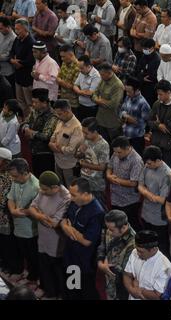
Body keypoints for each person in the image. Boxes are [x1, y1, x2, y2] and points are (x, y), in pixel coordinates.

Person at [27, 171, 70, 299]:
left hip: (56, 243)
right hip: (43, 238)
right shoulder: (43, 190)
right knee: (44, 267)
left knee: (57, 271)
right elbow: (31, 208)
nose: (42, 191)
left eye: (45, 189)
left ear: (55, 187)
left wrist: (37, 213)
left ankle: (59, 294)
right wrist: (41, 215)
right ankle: (48, 290)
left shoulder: (66, 198)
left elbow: (54, 223)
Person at [61, 178, 104, 300]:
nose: (71, 198)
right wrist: (68, 228)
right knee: (72, 288)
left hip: (84, 261)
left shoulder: (96, 212)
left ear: (85, 194)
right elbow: (63, 221)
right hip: (71, 255)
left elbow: (86, 241)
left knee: (85, 291)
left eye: (74, 195)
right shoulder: (75, 202)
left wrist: (69, 229)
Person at [6, 158, 40, 287]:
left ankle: (35, 277)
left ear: (25, 172)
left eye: (15, 176)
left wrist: (20, 212)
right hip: (18, 227)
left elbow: (37, 209)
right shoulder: (16, 181)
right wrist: (13, 210)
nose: (13, 179)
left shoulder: (36, 186)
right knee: (25, 253)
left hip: (31, 230)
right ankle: (31, 274)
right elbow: (10, 198)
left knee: (33, 256)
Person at [138, 146, 171, 258]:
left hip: (159, 219)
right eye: (146, 163)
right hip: (146, 212)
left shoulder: (167, 174)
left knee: (161, 248)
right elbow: (140, 186)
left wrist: (146, 193)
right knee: (147, 243)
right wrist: (149, 195)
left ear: (158, 161)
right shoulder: (147, 165)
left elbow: (163, 200)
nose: (147, 166)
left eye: (149, 163)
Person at [106, 136, 144, 231]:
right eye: (115, 152)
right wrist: (109, 176)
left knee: (131, 225)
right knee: (117, 224)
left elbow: (133, 183)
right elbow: (109, 167)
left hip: (129, 201)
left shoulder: (136, 160)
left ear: (127, 148)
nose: (116, 154)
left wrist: (116, 180)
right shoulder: (116, 153)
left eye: (119, 152)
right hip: (115, 197)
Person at [97, 209, 136, 300]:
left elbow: (126, 269)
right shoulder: (110, 227)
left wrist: (107, 267)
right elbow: (102, 245)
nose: (109, 232)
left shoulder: (134, 243)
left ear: (123, 227)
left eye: (111, 230)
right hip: (108, 280)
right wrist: (100, 262)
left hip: (121, 285)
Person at [123, 230, 171, 300]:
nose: (137, 254)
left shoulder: (165, 267)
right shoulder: (134, 252)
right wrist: (132, 290)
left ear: (153, 249)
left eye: (141, 252)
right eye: (137, 250)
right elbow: (127, 275)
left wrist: (140, 290)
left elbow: (158, 296)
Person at [20, 88, 58, 178]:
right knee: (36, 174)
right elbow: (25, 122)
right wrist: (26, 129)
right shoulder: (35, 110)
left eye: (35, 102)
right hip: (34, 149)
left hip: (45, 153)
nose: (33, 105)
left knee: (45, 177)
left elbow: (46, 136)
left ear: (44, 103)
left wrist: (31, 133)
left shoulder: (52, 115)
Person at [49, 99, 84, 187]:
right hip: (58, 160)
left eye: (59, 114)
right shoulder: (61, 120)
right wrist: (51, 143)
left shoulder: (77, 127)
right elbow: (54, 135)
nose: (57, 116)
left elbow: (71, 150)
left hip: (69, 165)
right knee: (59, 186)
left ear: (67, 111)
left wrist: (57, 147)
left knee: (70, 188)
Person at [147, 80, 171, 167]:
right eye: (158, 94)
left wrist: (158, 124)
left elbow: (170, 130)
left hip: (168, 147)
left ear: (169, 92)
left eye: (161, 94)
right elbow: (149, 121)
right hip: (155, 143)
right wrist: (158, 125)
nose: (158, 96)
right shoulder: (156, 104)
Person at [77, 117, 110, 207]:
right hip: (84, 179)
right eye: (83, 132)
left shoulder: (103, 145)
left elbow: (102, 167)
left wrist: (84, 164)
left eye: (86, 133)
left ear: (95, 131)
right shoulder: (85, 140)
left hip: (96, 184)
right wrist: (80, 152)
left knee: (98, 208)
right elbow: (77, 156)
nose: (84, 135)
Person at [92, 63, 124, 144]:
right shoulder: (103, 79)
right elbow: (94, 94)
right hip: (101, 119)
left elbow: (113, 104)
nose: (100, 76)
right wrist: (98, 100)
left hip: (112, 122)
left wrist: (99, 100)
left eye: (102, 74)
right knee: (102, 143)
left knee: (114, 145)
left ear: (109, 73)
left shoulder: (118, 85)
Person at [10, 18, 35, 117]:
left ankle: (30, 122)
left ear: (25, 29)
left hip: (27, 78)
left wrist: (19, 63)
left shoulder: (31, 42)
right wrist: (12, 60)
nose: (16, 32)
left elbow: (31, 61)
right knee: (20, 101)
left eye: (18, 29)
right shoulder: (17, 39)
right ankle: (24, 120)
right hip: (18, 76)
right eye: (15, 29)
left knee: (29, 103)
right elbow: (12, 52)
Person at [120, 76, 151, 155]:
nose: (127, 94)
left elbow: (147, 122)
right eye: (126, 91)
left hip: (136, 138)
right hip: (125, 134)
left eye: (129, 92)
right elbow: (121, 111)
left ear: (136, 90)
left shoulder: (143, 104)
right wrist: (126, 117)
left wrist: (134, 120)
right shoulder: (127, 97)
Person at [73, 55, 101, 123]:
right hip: (81, 104)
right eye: (79, 68)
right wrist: (81, 92)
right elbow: (75, 85)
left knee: (88, 128)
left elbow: (90, 93)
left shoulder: (96, 76)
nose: (80, 70)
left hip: (91, 107)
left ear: (89, 66)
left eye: (81, 68)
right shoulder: (82, 72)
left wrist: (79, 92)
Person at [0, 148, 14, 278]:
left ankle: (10, 266)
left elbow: (3, 200)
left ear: (4, 162)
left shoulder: (8, 177)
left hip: (5, 217)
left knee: (6, 242)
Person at [135, 38, 161, 106]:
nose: (144, 50)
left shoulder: (157, 60)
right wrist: (142, 77)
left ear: (152, 48)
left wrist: (143, 74)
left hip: (151, 88)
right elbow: (138, 69)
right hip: (141, 84)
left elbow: (153, 75)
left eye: (145, 48)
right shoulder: (144, 56)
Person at [57, 45, 80, 115]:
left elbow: (73, 87)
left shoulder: (78, 67)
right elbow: (58, 77)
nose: (61, 59)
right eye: (61, 56)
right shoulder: (64, 63)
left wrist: (60, 81)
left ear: (71, 54)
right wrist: (62, 82)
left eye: (63, 56)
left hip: (73, 103)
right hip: (63, 98)